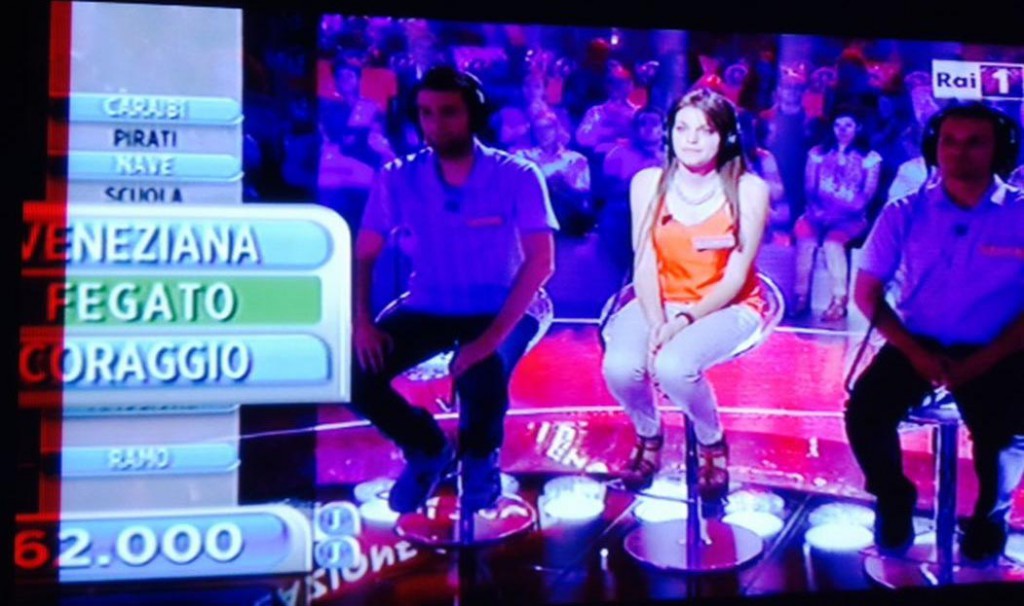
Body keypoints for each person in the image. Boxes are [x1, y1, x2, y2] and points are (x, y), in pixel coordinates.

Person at [350, 66, 558, 514]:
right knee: (354, 376)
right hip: (430, 306)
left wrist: (486, 341)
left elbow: (541, 263)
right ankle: (427, 448)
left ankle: (480, 459)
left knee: (480, 369)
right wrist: (362, 323)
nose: (435, 124)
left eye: (448, 112)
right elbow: (364, 253)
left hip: (507, 305)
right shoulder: (396, 177)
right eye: (426, 113)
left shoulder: (518, 175)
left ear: (474, 115)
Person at [844, 102, 1024, 562]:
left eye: (975, 143)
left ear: (1000, 150)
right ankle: (894, 497)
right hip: (916, 343)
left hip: (1000, 347)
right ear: (933, 148)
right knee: (864, 412)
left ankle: (990, 518)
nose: (959, 152)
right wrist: (914, 352)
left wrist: (981, 362)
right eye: (950, 142)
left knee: (1005, 436)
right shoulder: (903, 212)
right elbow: (867, 293)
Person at [600, 88, 770, 500]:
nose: (691, 139)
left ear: (726, 136)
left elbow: (736, 275)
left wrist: (682, 322)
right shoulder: (648, 183)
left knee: (673, 366)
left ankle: (712, 441)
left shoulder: (749, 188)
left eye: (705, 130)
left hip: (727, 305)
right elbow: (644, 262)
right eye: (682, 128)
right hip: (659, 298)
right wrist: (657, 322)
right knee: (620, 368)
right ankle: (649, 433)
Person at [791, 106, 882, 321]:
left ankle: (838, 301)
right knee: (805, 239)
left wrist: (839, 210)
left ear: (858, 128)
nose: (842, 130)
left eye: (848, 125)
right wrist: (818, 210)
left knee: (833, 244)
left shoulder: (870, 159)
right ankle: (800, 296)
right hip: (817, 213)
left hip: (850, 218)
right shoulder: (817, 154)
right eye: (838, 125)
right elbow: (809, 188)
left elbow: (865, 197)